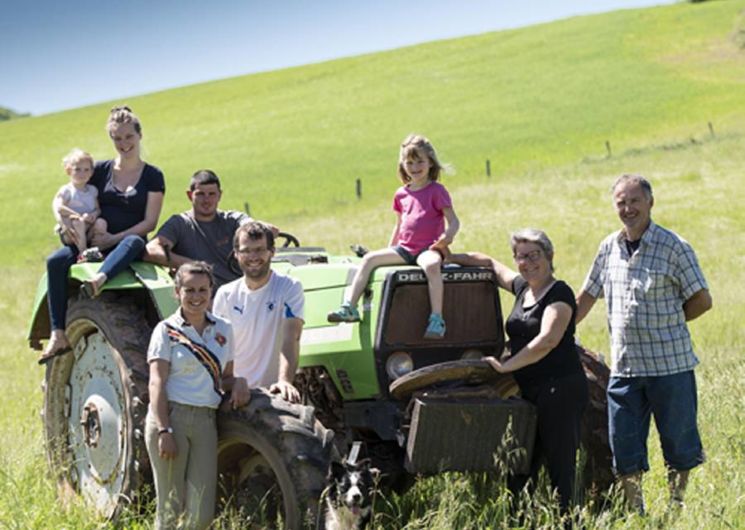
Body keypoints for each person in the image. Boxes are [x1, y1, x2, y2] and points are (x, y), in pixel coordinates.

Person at [575, 174, 712, 513]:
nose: (628, 208)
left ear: (650, 202)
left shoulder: (673, 246)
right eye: (621, 202)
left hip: (671, 366)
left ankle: (675, 508)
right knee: (624, 445)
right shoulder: (608, 247)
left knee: (679, 444)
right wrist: (555, 331)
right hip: (625, 369)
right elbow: (587, 296)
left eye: (634, 200)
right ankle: (637, 512)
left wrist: (669, 324)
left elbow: (702, 300)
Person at [449, 229, 588, 514]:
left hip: (560, 389)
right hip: (529, 393)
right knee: (519, 467)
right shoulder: (523, 288)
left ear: (549, 256)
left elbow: (547, 340)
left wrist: (506, 366)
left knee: (560, 465)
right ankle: (519, 520)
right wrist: (448, 256)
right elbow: (487, 263)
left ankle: (570, 522)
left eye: (534, 255)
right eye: (520, 256)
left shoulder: (559, 293)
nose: (527, 262)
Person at [40, 105, 165, 364]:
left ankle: (100, 278)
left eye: (128, 136)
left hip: (125, 242)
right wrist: (66, 223)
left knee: (133, 241)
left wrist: (112, 239)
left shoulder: (152, 175)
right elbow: (70, 195)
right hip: (92, 240)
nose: (124, 143)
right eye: (117, 138)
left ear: (139, 135)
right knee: (55, 261)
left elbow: (149, 223)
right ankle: (58, 333)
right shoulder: (99, 171)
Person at [146, 261, 249, 530]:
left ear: (211, 291)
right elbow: (156, 383)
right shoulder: (165, 331)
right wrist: (163, 430)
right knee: (170, 509)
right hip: (171, 418)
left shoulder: (224, 329)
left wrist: (239, 382)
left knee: (201, 515)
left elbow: (223, 378)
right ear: (177, 292)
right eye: (189, 290)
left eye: (203, 290)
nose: (196, 297)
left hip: (205, 422)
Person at [327, 134, 460, 339]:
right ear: (403, 164)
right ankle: (350, 307)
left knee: (432, 266)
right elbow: (399, 225)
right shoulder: (401, 194)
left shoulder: (436, 191)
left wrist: (447, 238)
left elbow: (454, 221)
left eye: (420, 162)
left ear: (430, 162)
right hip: (405, 249)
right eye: (410, 162)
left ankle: (436, 319)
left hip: (428, 249)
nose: (415, 167)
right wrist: (390, 247)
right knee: (370, 259)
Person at [212, 221, 304, 403]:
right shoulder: (226, 294)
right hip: (234, 392)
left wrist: (284, 381)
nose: (253, 257)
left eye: (259, 250)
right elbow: (220, 347)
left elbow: (291, 337)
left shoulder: (289, 287)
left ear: (272, 251)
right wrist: (230, 383)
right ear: (236, 254)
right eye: (246, 251)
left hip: (273, 392)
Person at [144, 169, 252, 289]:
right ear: (190, 195)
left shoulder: (232, 220)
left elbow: (252, 227)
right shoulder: (179, 223)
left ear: (219, 195)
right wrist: (194, 266)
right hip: (199, 298)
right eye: (200, 194)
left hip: (237, 294)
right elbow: (151, 250)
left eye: (212, 194)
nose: (206, 200)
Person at [52, 148, 107, 260]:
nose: (82, 173)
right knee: (78, 222)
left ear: (91, 173)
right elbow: (60, 208)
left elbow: (97, 209)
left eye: (86, 170)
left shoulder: (92, 190)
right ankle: (83, 253)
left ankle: (96, 250)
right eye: (77, 169)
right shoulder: (67, 190)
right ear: (69, 171)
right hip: (71, 231)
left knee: (101, 222)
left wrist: (93, 215)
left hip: (87, 229)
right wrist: (78, 215)